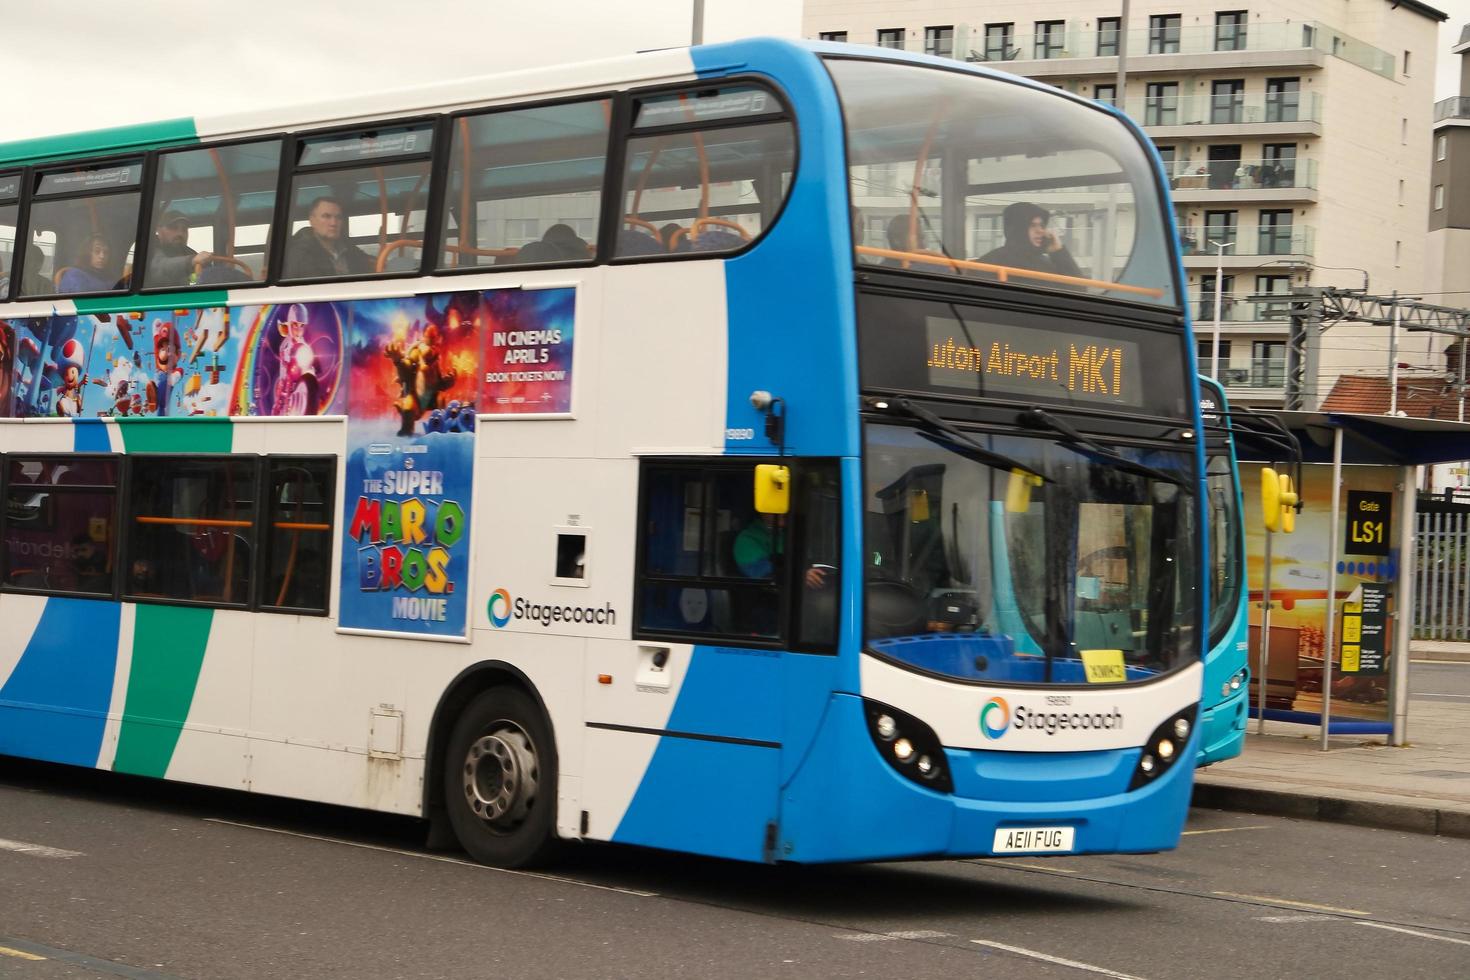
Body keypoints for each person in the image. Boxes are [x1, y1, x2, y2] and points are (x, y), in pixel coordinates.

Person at [978, 202, 1082, 279]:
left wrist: (1058, 251)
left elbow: (1079, 289)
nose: (1040, 231)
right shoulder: (989, 263)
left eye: (1042, 225)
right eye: (1033, 225)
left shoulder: (1045, 262)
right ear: (1018, 229)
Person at [283, 196, 373, 279]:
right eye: (326, 216)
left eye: (338, 217)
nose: (333, 223)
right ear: (312, 220)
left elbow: (368, 263)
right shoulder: (300, 254)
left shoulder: (347, 248)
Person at [146, 209, 212, 287]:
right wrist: (191, 261)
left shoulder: (190, 253)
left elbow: (193, 279)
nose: (180, 233)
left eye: (184, 229)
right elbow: (160, 267)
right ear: (159, 230)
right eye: (173, 228)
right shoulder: (149, 249)